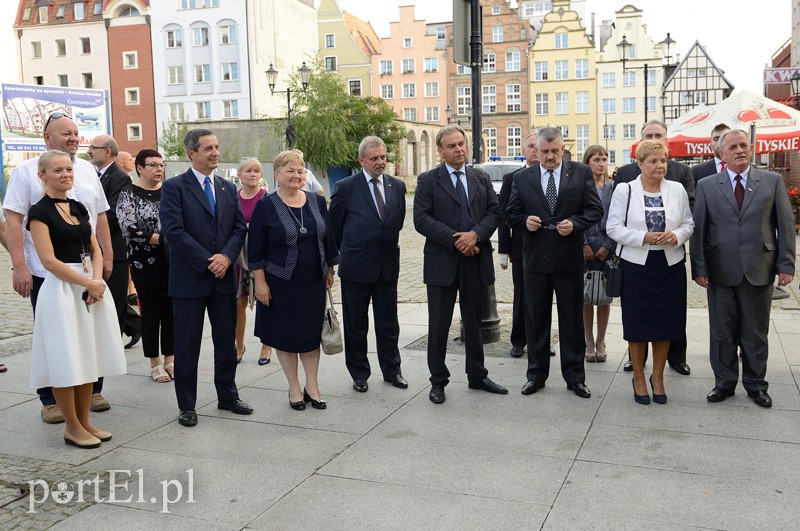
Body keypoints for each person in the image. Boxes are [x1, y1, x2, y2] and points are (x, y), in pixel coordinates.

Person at [3, 112, 114, 423]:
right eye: (65, 133)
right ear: (47, 138)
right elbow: (12, 220)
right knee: (55, 337)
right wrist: (19, 266)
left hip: (88, 271)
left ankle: (91, 390)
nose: (73, 138)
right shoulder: (27, 172)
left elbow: (99, 216)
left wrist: (105, 257)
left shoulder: (88, 172)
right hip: (46, 273)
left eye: (76, 133)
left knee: (89, 333)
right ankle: (51, 399)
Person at [27, 150, 126, 448]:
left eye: (68, 169)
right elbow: (48, 261)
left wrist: (96, 282)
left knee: (88, 356)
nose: (65, 175)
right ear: (42, 175)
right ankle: (71, 426)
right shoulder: (39, 213)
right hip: (61, 290)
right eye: (57, 170)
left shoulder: (79, 207)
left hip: (88, 286)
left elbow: (94, 247)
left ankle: (84, 421)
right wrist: (88, 283)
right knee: (66, 357)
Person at [691, 129, 795, 408]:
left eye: (743, 145)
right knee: (722, 332)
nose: (739, 150)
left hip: (759, 269)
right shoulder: (708, 185)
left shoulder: (772, 181)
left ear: (750, 149)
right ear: (721, 153)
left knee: (755, 332)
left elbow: (785, 226)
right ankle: (724, 383)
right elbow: (699, 230)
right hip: (720, 270)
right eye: (732, 147)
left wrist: (786, 264)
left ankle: (756, 385)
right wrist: (698, 266)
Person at [160, 129, 252, 427]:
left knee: (226, 341)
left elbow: (239, 229)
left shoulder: (227, 187)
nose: (215, 152)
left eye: (216, 147)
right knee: (187, 345)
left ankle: (227, 395)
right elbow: (174, 231)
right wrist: (207, 261)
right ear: (192, 153)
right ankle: (187, 405)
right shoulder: (175, 188)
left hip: (224, 277)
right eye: (208, 148)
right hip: (190, 279)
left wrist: (225, 257)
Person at [413, 124, 507, 404]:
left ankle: (477, 375)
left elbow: (495, 211)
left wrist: (475, 235)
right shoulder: (428, 180)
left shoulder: (480, 177)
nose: (459, 149)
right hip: (443, 262)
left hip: (476, 260)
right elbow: (422, 220)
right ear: (440, 151)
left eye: (461, 144)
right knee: (439, 323)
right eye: (452, 146)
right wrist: (458, 240)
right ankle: (438, 380)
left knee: (474, 322)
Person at [506, 127, 603, 399]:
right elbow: (511, 213)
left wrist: (575, 224)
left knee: (572, 321)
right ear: (536, 150)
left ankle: (575, 377)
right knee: (536, 321)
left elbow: (595, 210)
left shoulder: (580, 173)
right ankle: (536, 375)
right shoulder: (523, 177)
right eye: (545, 151)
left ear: (563, 149)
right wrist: (525, 222)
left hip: (569, 259)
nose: (550, 157)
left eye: (555, 151)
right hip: (535, 261)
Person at [248, 150, 339, 411]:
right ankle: (294, 387)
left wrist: (330, 270)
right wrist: (261, 283)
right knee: (286, 336)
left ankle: (313, 385)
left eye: (300, 171)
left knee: (311, 336)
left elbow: (328, 237)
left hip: (313, 281)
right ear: (276, 175)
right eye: (290, 170)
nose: (296, 175)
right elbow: (255, 250)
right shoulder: (265, 206)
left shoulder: (317, 202)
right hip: (280, 282)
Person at [607, 140, 694, 405]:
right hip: (636, 267)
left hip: (669, 266)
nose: (660, 166)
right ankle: (638, 377)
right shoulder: (625, 190)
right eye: (653, 161)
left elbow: (689, 223)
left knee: (665, 325)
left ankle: (658, 378)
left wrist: (676, 235)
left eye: (663, 160)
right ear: (640, 164)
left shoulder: (677, 189)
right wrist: (643, 237)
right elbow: (613, 227)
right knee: (638, 325)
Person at [329, 136, 407, 393]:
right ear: (361, 160)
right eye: (374, 158)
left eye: (383, 157)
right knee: (356, 323)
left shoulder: (397, 186)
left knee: (388, 323)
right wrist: (339, 258)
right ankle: (359, 373)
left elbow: (397, 222)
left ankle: (392, 370)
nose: (380, 162)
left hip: (387, 266)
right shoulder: (346, 187)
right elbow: (334, 229)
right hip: (356, 267)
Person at [116, 149, 175, 383]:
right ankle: (155, 362)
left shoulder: (170, 192)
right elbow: (128, 228)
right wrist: (161, 238)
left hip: (172, 261)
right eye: (153, 165)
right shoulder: (128, 193)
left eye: (161, 165)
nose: (159, 169)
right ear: (140, 168)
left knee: (171, 311)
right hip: (143, 262)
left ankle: (170, 359)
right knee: (150, 312)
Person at [88, 135, 132, 340]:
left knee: (115, 299)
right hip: (93, 249)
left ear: (106, 151)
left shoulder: (120, 177)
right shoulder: (92, 175)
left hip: (114, 250)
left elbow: (115, 214)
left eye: (93, 147)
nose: (89, 151)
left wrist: (84, 224)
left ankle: (115, 340)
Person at [498, 133, 536, 358]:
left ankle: (539, 340)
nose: (534, 150)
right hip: (520, 247)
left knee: (542, 296)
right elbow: (503, 216)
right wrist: (504, 250)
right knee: (521, 294)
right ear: (524, 150)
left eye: (536, 146)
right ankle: (518, 340)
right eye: (530, 146)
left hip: (546, 246)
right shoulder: (512, 178)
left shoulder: (551, 177)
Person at [233, 158, 272, 365]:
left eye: (257, 170)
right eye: (248, 171)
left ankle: (267, 346)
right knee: (238, 302)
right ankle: (239, 346)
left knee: (265, 300)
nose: (253, 174)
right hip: (238, 257)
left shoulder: (267, 198)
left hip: (261, 256)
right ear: (239, 174)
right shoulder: (233, 197)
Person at [581, 145, 615, 363]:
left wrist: (608, 245)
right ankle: (589, 341)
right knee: (585, 296)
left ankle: (601, 340)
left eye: (604, 159)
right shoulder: (579, 186)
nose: (601, 163)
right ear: (588, 162)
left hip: (606, 246)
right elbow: (574, 213)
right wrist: (583, 244)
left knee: (604, 296)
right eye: (596, 159)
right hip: (585, 246)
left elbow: (619, 216)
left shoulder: (613, 187)